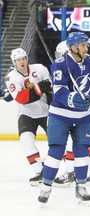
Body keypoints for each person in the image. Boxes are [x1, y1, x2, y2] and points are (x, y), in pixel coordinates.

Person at [37, 32, 90, 204]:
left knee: (82, 151)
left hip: (83, 116)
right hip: (60, 115)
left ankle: (81, 186)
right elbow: (58, 91)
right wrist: (72, 98)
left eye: (86, 45)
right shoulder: (59, 64)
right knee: (56, 152)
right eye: (83, 45)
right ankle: (46, 187)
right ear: (73, 47)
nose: (86, 48)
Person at [51, 40, 90, 187]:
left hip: (77, 111)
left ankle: (71, 173)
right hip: (79, 109)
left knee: (74, 144)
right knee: (81, 143)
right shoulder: (71, 67)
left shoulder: (84, 66)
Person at [5, 48, 52, 186]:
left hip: (47, 112)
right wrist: (38, 88)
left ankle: (70, 170)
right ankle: (39, 171)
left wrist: (44, 90)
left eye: (24, 58)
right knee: (26, 140)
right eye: (19, 60)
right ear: (14, 62)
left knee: (59, 141)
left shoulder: (40, 68)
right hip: (27, 114)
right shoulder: (11, 77)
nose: (22, 61)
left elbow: (49, 87)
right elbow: (21, 98)